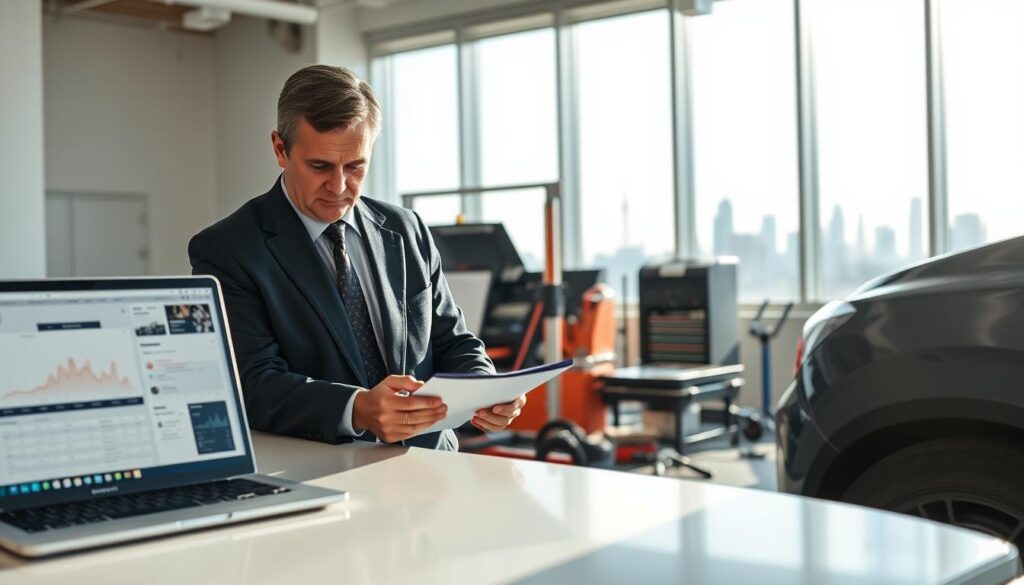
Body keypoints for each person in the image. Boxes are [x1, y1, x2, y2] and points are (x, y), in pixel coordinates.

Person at [188, 65, 526, 450]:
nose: (339, 186)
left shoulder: (405, 229)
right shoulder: (227, 249)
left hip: (432, 465)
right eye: (320, 166)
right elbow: (251, 382)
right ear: (280, 149)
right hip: (321, 474)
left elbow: (452, 340)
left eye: (355, 166)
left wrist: (485, 386)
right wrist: (357, 408)